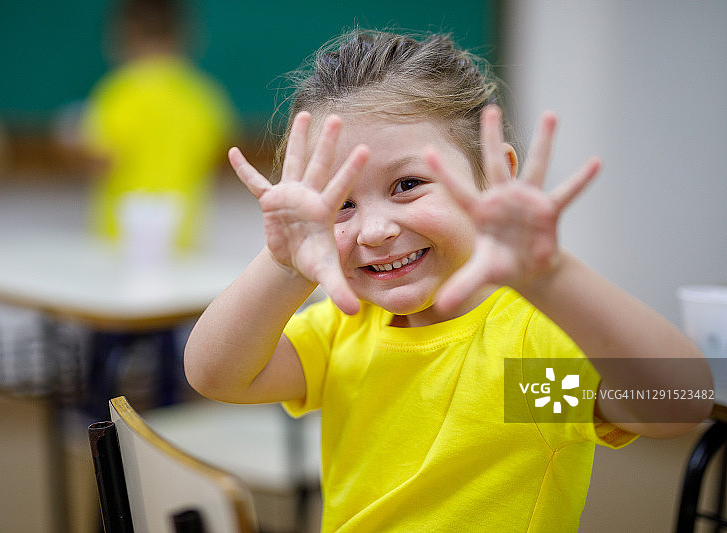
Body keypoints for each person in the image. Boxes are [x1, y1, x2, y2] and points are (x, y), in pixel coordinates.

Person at [184, 29, 713, 532]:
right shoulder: (347, 332)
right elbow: (217, 375)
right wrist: (283, 264)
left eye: (408, 184)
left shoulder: (521, 362)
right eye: (341, 203)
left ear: (491, 174)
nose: (374, 230)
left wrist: (552, 276)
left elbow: (677, 401)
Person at [81, 0, 233, 251]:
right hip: (182, 233)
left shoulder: (117, 93)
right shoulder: (204, 95)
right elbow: (220, 155)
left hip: (119, 237)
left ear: (125, 33)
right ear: (184, 35)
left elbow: (101, 160)